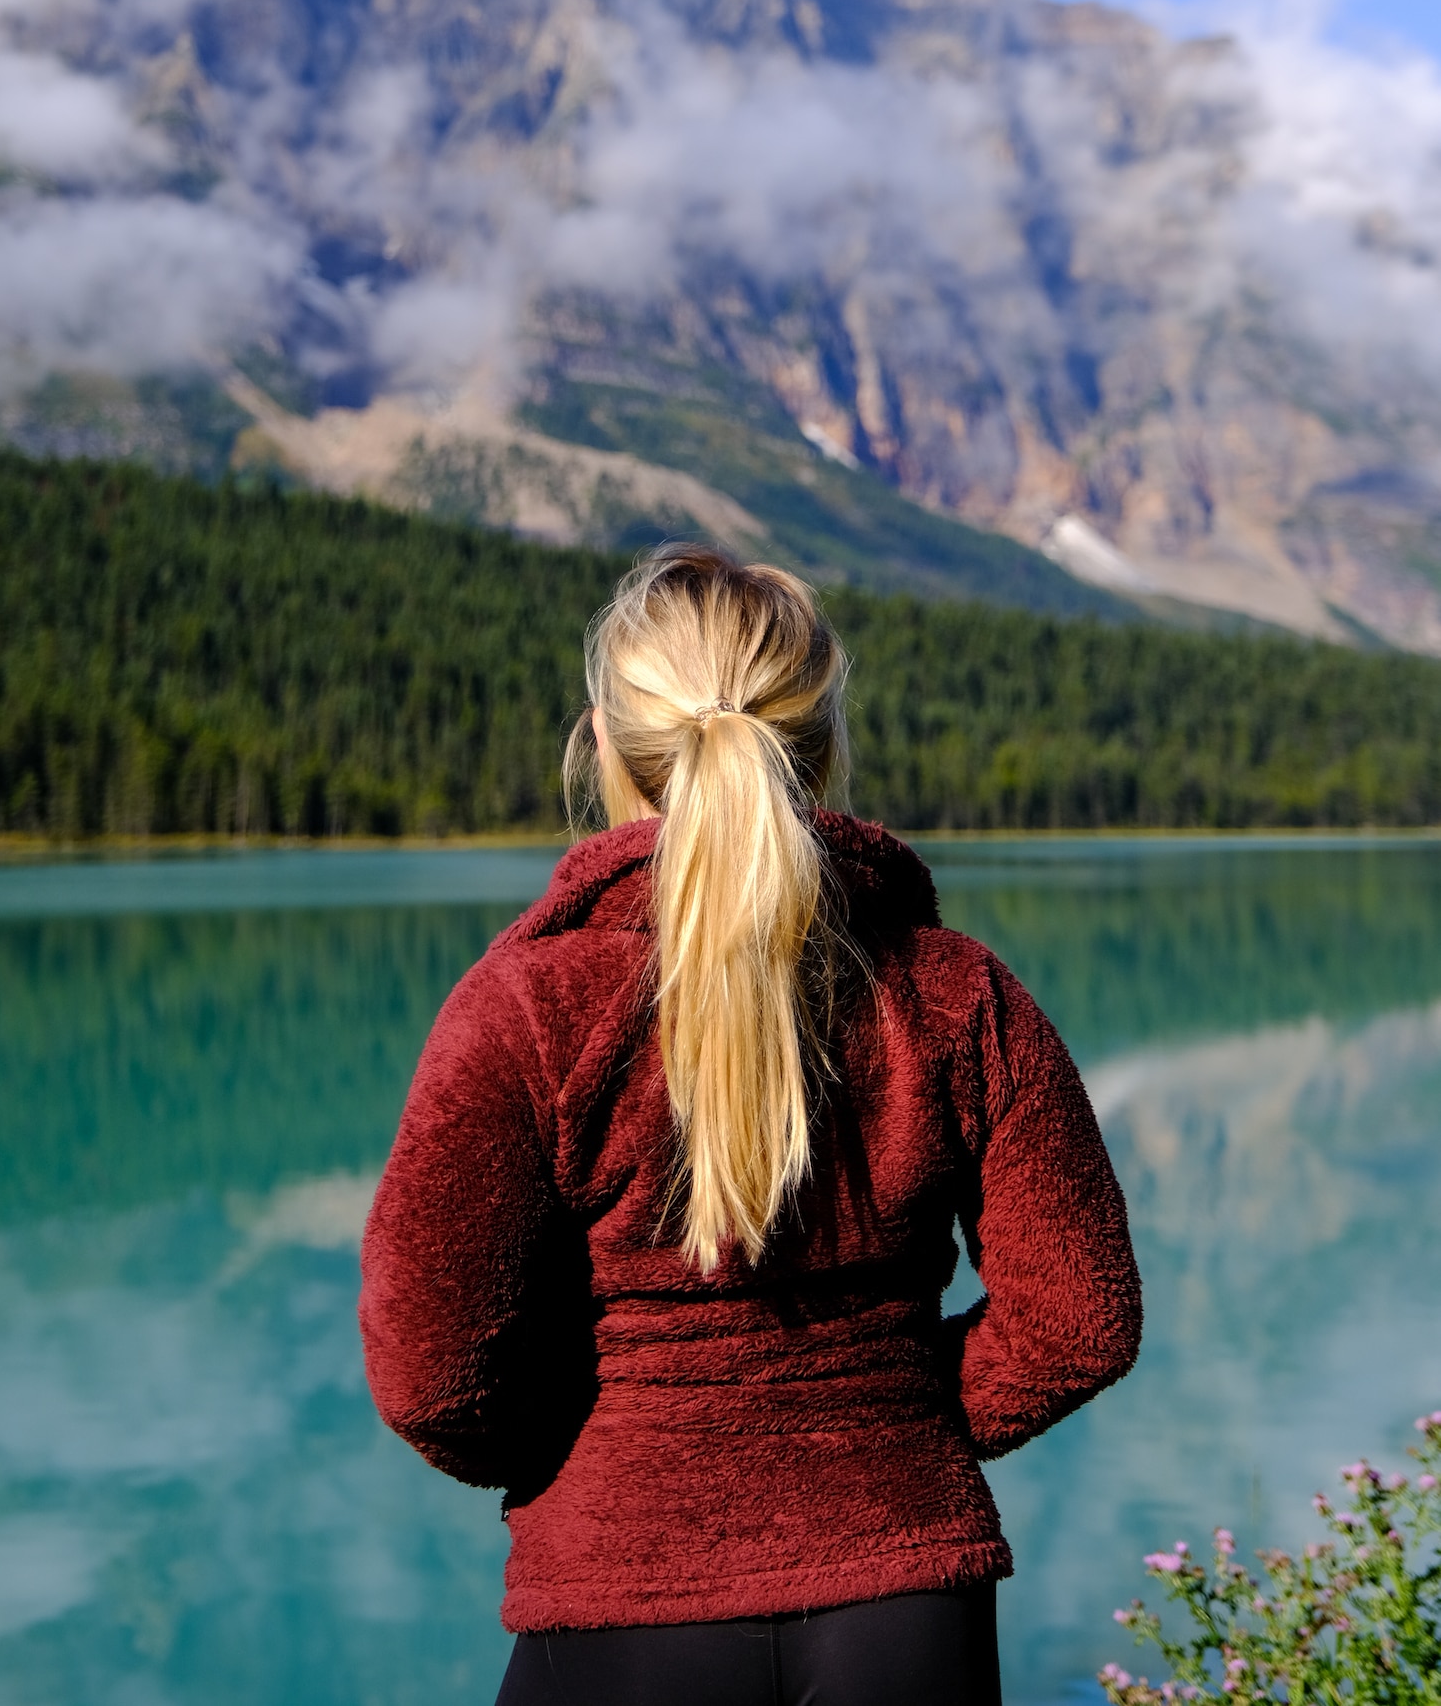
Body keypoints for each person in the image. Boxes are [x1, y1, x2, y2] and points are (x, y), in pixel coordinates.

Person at [360, 547, 1141, 1704]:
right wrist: (890, 1416)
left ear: (602, 744)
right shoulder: (956, 991)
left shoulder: (527, 1009)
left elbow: (431, 1376)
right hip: (907, 1608)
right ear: (820, 742)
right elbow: (1079, 1320)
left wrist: (603, 1449)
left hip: (618, 1606)